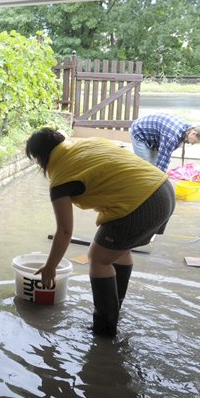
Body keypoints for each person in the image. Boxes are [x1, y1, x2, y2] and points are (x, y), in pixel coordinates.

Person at [26, 128, 175, 337]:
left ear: (40, 158)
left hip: (140, 203)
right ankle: (116, 308)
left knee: (98, 258)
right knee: (119, 250)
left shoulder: (60, 177)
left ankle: (104, 331)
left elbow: (65, 231)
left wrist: (50, 267)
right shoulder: (87, 143)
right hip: (164, 189)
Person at [129, 113, 200, 172]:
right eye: (194, 141)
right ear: (193, 133)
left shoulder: (187, 129)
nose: (192, 144)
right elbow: (162, 162)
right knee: (145, 166)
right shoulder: (172, 137)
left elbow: (163, 157)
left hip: (153, 137)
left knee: (153, 166)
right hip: (139, 131)